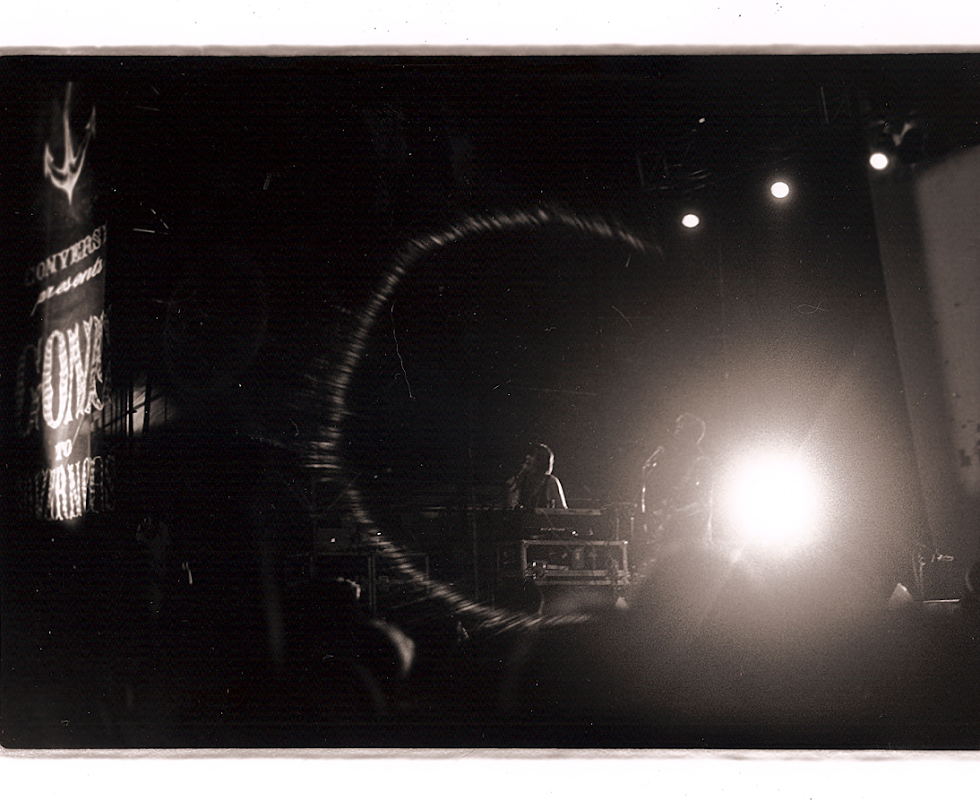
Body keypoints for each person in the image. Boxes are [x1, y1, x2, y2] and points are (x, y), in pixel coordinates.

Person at [638, 413, 713, 555]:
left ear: (691, 435)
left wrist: (676, 513)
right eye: (677, 429)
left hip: (691, 531)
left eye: (680, 430)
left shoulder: (701, 462)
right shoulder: (674, 459)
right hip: (672, 528)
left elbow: (703, 501)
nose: (675, 434)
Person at [505, 442, 568, 510]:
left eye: (532, 455)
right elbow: (511, 507)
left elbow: (562, 510)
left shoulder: (550, 481)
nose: (527, 457)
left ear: (541, 460)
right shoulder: (520, 480)